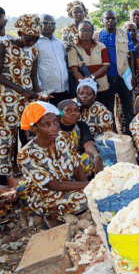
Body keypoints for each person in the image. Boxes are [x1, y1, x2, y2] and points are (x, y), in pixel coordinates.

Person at [18, 101, 88, 228]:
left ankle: (64, 214)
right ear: (34, 128)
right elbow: (53, 185)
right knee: (82, 200)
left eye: (56, 122)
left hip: (68, 184)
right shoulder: (26, 154)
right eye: (47, 124)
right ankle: (49, 216)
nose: (54, 127)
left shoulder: (63, 137)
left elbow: (77, 165)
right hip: (45, 195)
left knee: (88, 161)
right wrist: (89, 185)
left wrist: (88, 189)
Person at [0, 14, 44, 176]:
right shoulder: (4, 46)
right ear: (20, 34)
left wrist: (40, 93)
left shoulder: (33, 51)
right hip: (7, 100)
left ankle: (25, 167)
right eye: (29, 38)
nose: (32, 42)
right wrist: (20, 90)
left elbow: (33, 77)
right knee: (7, 137)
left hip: (27, 99)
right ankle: (5, 174)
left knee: (28, 132)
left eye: (36, 38)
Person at [93, 10, 136, 136]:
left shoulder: (125, 33)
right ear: (102, 20)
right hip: (105, 79)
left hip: (124, 77)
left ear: (117, 20)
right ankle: (112, 136)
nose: (110, 21)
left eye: (113, 18)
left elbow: (131, 55)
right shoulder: (96, 35)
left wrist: (133, 75)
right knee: (108, 109)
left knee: (128, 108)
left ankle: (130, 135)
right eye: (107, 18)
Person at [57, 100, 103, 178]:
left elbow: (88, 143)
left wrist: (96, 155)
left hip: (76, 160)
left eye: (76, 110)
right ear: (60, 113)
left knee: (93, 157)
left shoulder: (81, 125)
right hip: (59, 161)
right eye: (68, 110)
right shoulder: (55, 128)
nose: (73, 113)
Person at [68, 20, 110, 105]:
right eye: (82, 30)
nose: (86, 33)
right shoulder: (72, 49)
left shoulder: (101, 46)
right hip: (84, 91)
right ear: (78, 31)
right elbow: (74, 71)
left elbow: (105, 66)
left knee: (104, 111)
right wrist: (86, 84)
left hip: (102, 86)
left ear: (93, 32)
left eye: (88, 30)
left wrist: (91, 77)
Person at [34, 14, 69, 106]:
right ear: (38, 24)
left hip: (64, 89)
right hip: (47, 92)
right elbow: (33, 69)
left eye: (52, 23)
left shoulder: (59, 43)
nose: (49, 25)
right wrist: (39, 91)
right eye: (45, 23)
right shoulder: (35, 43)